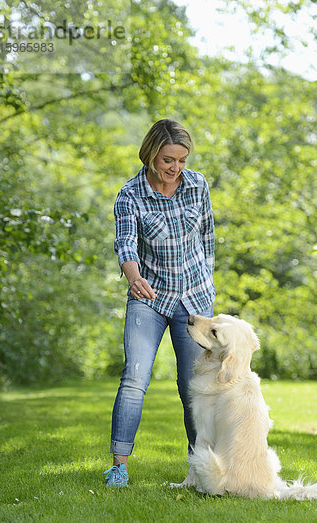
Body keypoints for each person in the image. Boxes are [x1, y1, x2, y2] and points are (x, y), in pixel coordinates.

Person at [104, 119, 215, 487]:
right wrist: (134, 277)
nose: (175, 168)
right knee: (135, 378)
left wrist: (208, 290)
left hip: (193, 299)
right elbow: (125, 244)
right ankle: (118, 465)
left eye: (182, 160)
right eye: (169, 159)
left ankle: (200, 467)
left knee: (192, 386)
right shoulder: (130, 194)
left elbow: (207, 238)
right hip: (148, 298)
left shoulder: (197, 185)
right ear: (151, 153)